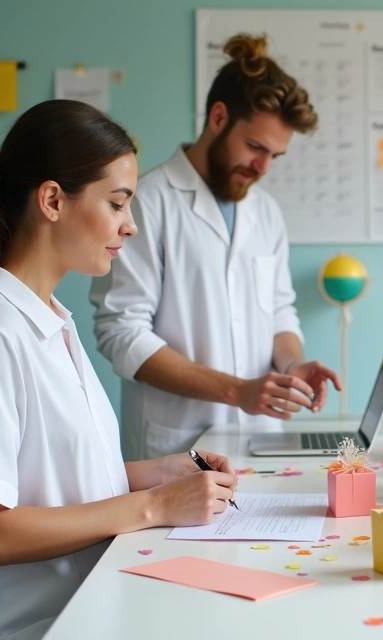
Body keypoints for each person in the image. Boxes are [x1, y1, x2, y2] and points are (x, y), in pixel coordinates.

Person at [0, 100, 238, 640]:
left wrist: (159, 474)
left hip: (79, 603)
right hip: (19, 625)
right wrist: (152, 506)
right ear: (53, 200)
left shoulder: (49, 321)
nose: (130, 226)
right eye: (117, 203)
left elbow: (50, 478)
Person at [91, 33, 341, 460]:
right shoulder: (147, 203)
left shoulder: (265, 212)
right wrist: (237, 391)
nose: (263, 168)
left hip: (261, 439)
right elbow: (123, 333)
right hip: (176, 445)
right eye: (255, 147)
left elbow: (279, 312)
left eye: (275, 156)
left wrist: (291, 365)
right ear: (219, 117)